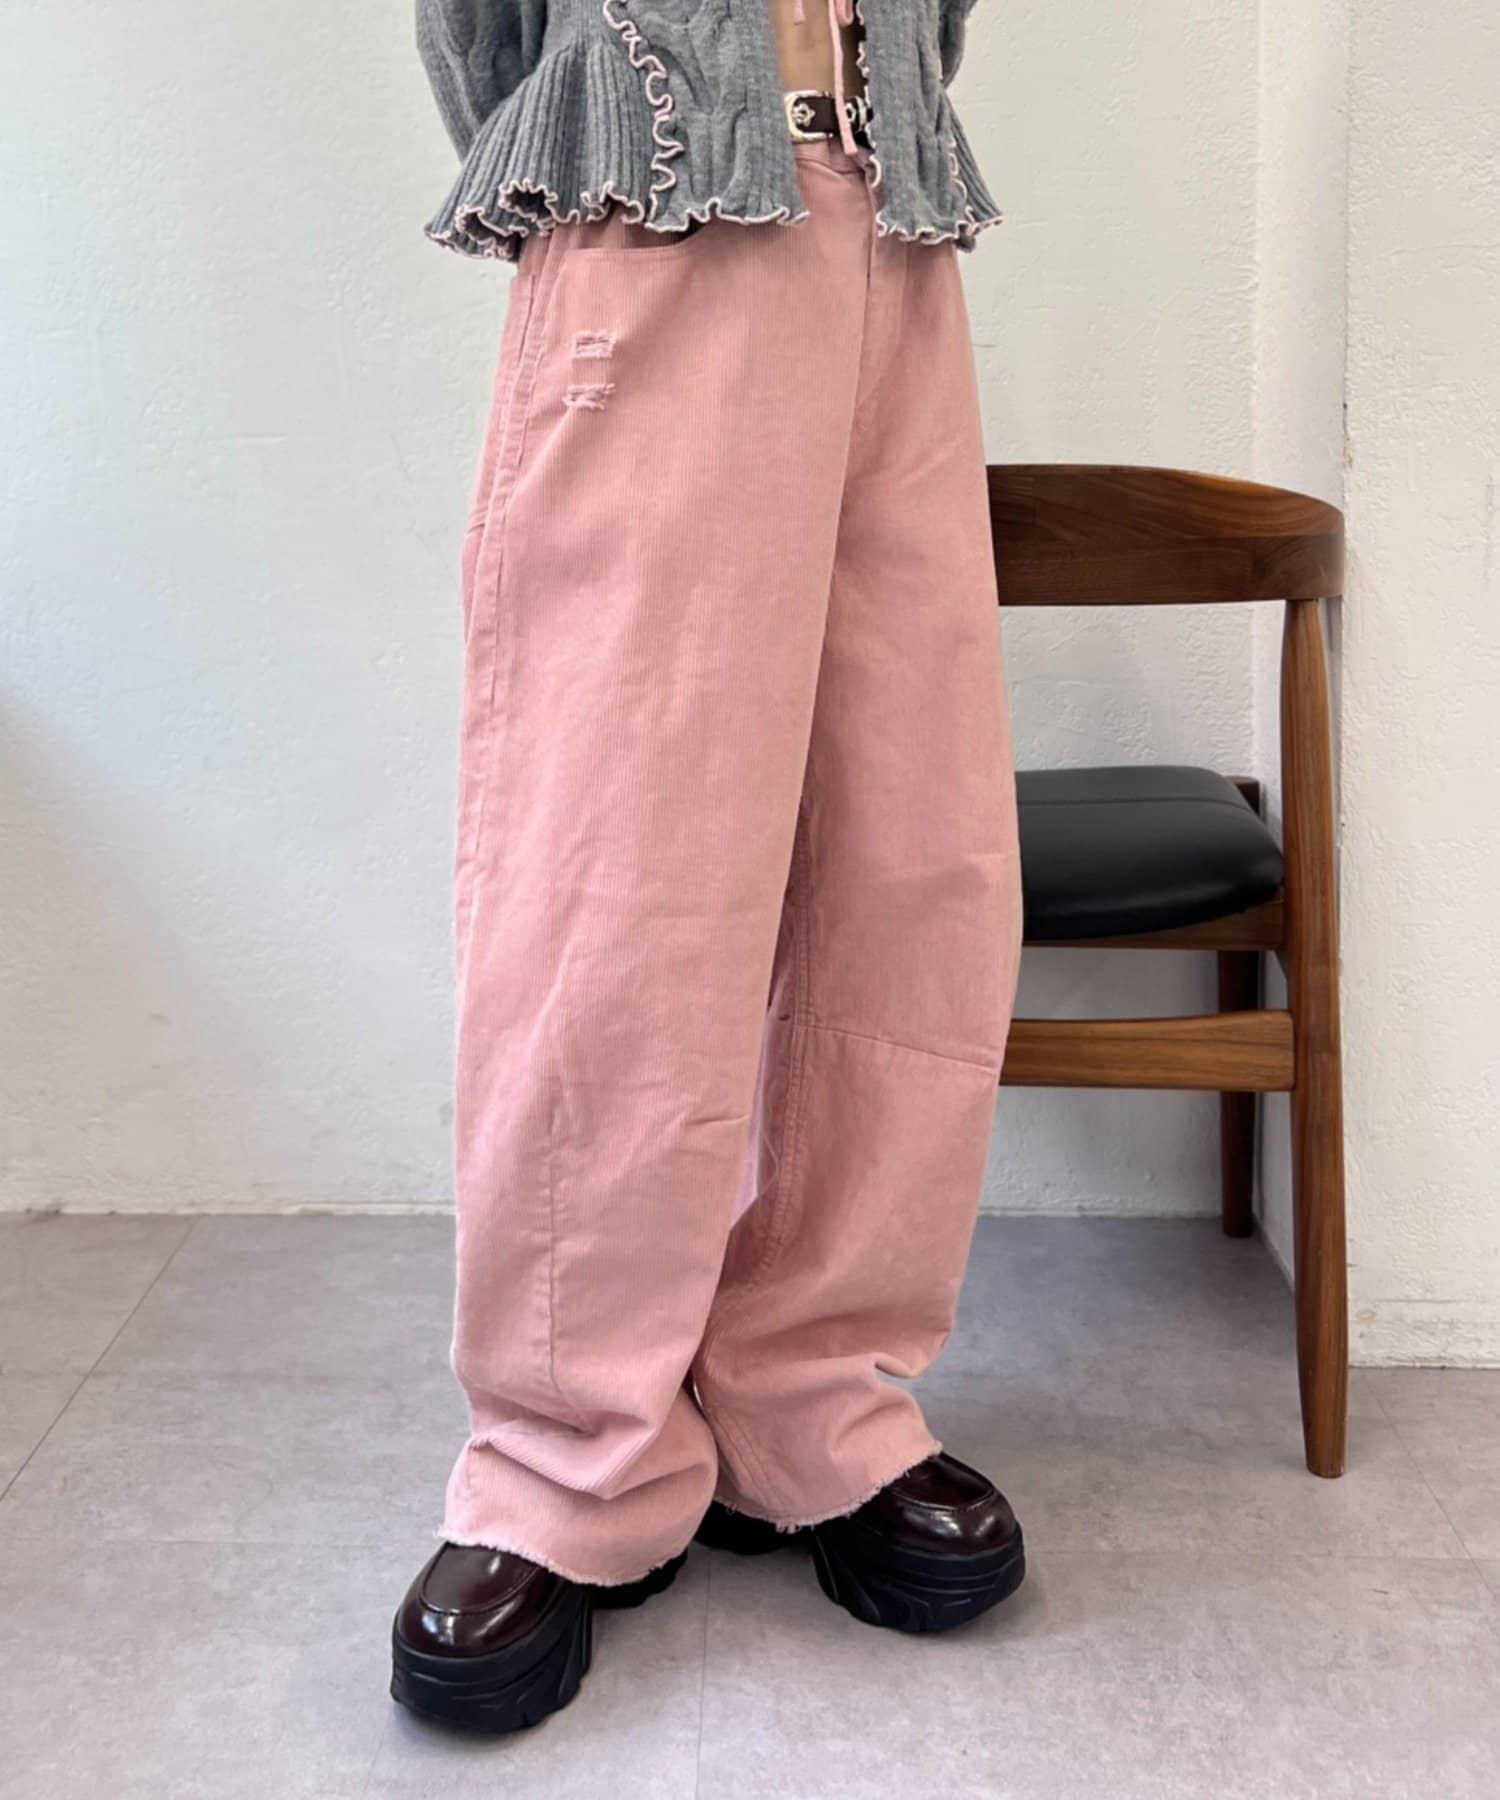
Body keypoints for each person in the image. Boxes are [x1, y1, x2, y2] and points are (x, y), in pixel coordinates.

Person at [392, 0, 1025, 1733]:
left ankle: (810, 1393)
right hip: (653, 234)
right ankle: (565, 1456)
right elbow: (477, 29)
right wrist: (622, 145)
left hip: (892, 236)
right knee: (617, 880)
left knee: (909, 860)